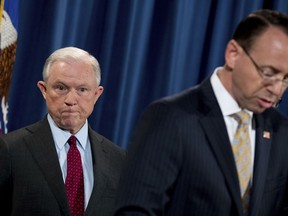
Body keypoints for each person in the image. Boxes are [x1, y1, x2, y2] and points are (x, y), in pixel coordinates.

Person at [114, 9, 288, 216]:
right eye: (268, 73)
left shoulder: (281, 130)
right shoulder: (171, 118)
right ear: (233, 54)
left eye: (286, 79)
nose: (277, 89)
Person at [0, 47, 126, 216]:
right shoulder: (10, 149)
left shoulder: (118, 160)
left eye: (82, 90)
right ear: (43, 89)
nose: (71, 100)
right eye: (61, 88)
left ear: (96, 94)